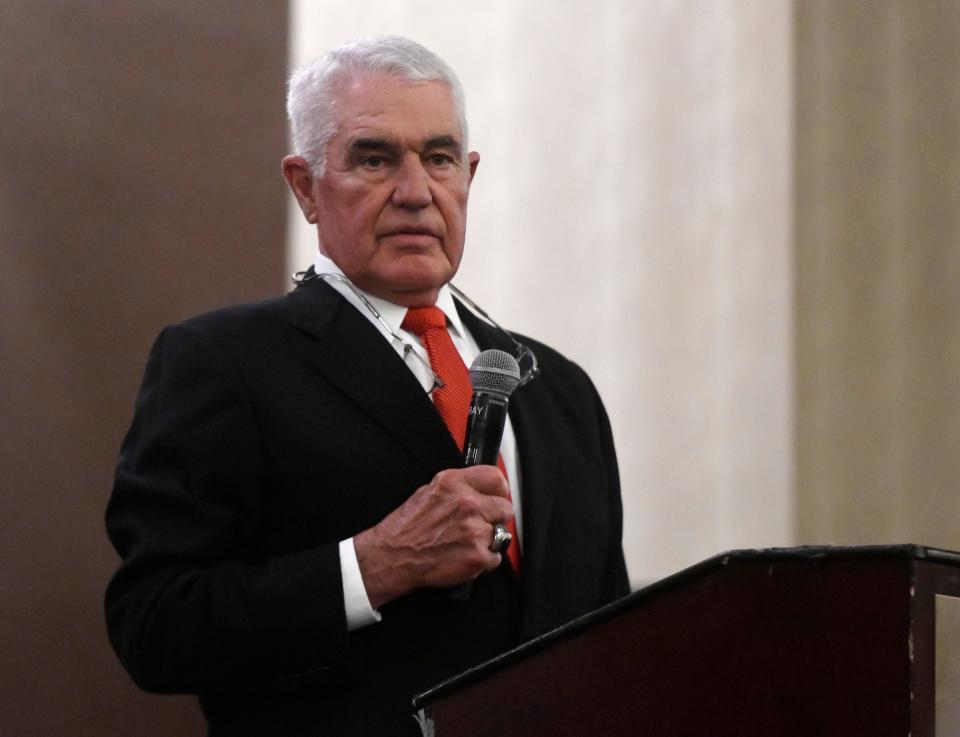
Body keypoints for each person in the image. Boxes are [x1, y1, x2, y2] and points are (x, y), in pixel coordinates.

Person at [105, 35, 629, 737]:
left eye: (439, 158)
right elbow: (156, 624)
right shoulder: (223, 363)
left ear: (467, 175)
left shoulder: (561, 390)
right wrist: (374, 565)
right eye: (375, 158)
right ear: (305, 186)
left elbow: (612, 639)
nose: (416, 192)